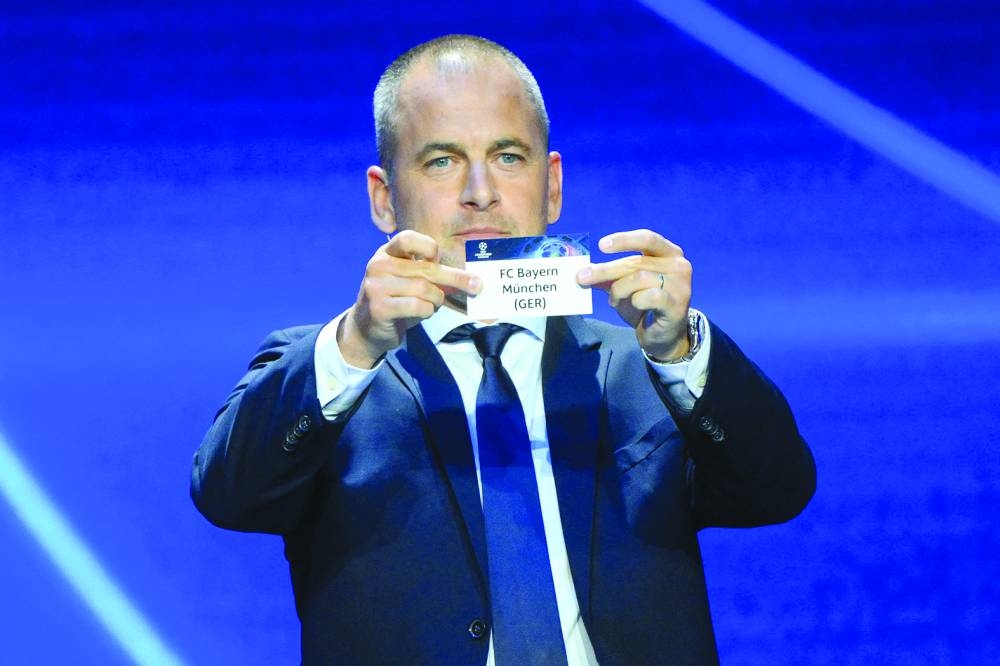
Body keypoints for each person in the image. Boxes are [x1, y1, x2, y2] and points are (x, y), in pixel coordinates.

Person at [191, 34, 816, 665]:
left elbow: (778, 490)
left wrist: (680, 349)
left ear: (552, 187)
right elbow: (228, 496)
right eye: (441, 161)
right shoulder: (331, 373)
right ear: (383, 198)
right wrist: (356, 341)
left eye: (509, 156)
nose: (481, 191)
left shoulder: (645, 371)